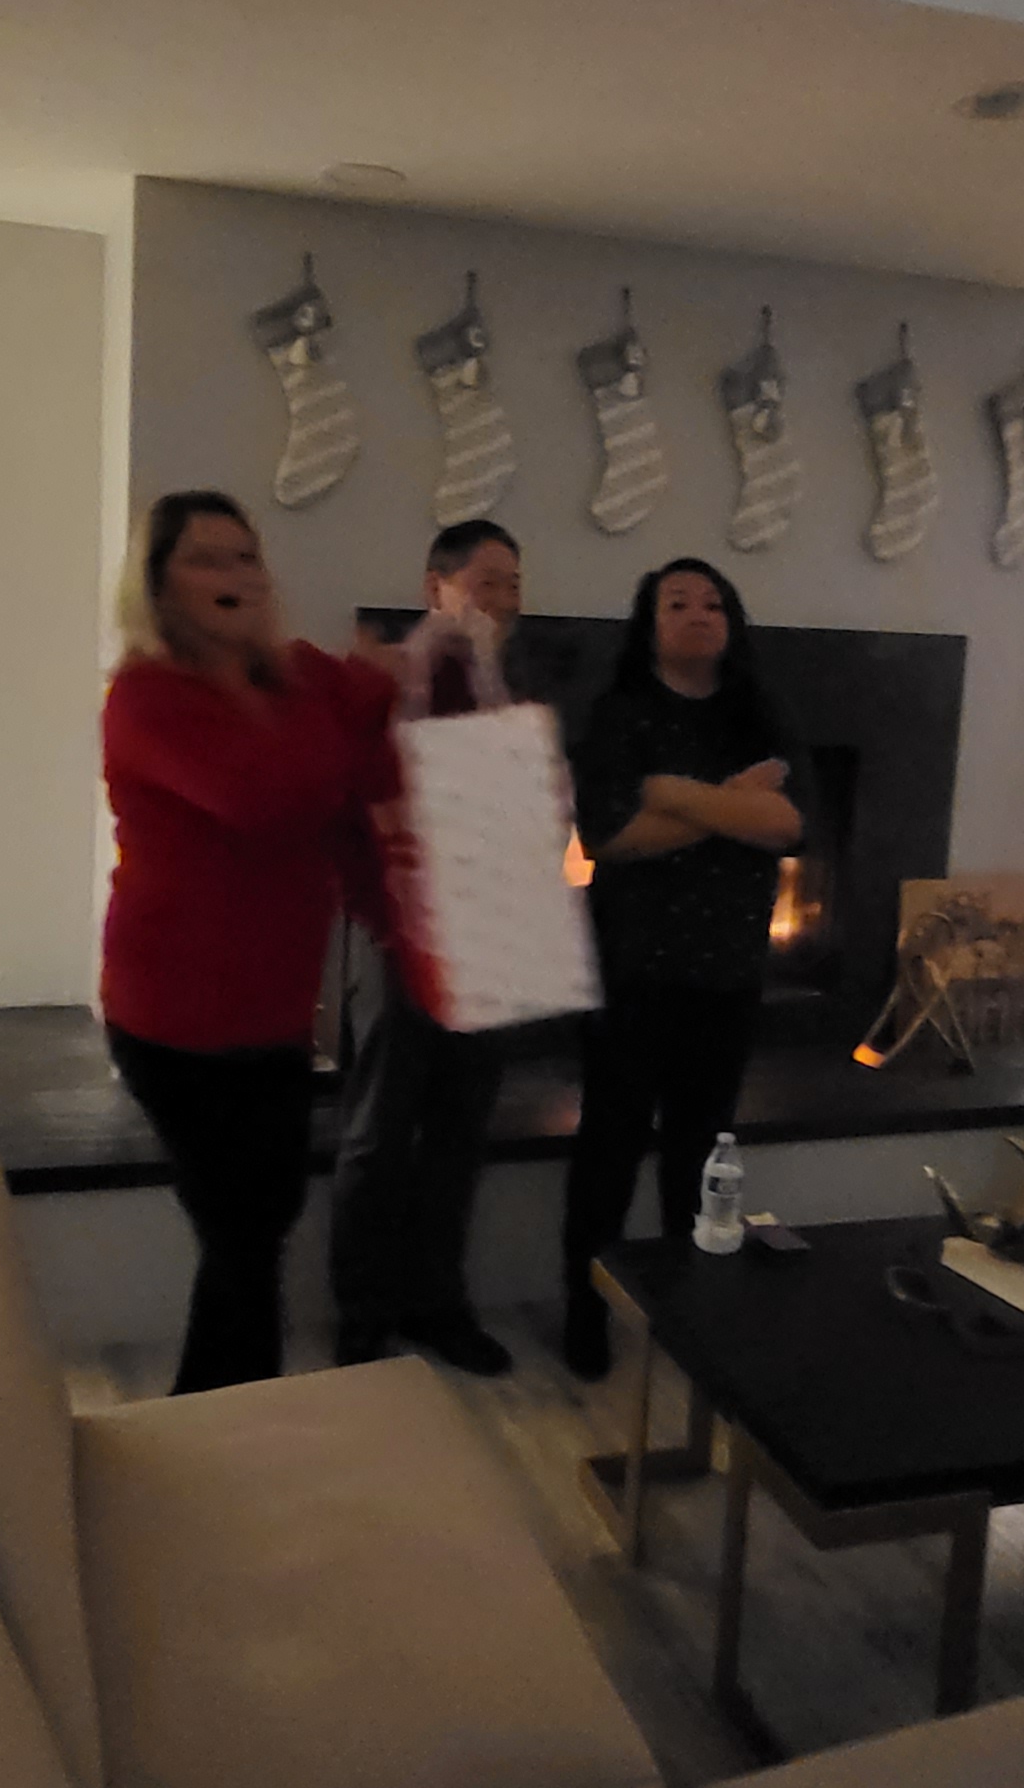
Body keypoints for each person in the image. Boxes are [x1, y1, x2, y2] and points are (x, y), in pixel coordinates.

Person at [97, 491, 396, 1394]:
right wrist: (337, 692)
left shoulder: (290, 679)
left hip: (273, 1010)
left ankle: (218, 1423)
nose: (236, 575)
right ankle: (229, 1421)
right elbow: (267, 797)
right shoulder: (148, 696)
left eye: (246, 557)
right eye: (206, 559)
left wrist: (427, 656)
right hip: (176, 1018)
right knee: (244, 1235)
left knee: (256, 1228)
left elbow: (375, 708)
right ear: (158, 585)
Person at [559, 558, 803, 1378]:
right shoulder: (619, 714)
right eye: (678, 602)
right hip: (632, 970)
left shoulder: (758, 712)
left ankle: (690, 1317)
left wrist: (673, 792)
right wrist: (734, 802)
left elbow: (789, 826)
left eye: (713, 602)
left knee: (700, 1160)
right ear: (650, 623)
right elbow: (610, 837)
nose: (699, 613)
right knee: (609, 1150)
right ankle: (585, 1311)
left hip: (727, 972)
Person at [328, 519, 532, 1377]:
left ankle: (438, 1304)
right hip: (399, 932)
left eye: (514, 584)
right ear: (435, 588)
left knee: (460, 1128)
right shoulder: (393, 682)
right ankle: (362, 1318)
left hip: (484, 936)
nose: (504, 600)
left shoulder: (503, 688)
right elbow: (354, 806)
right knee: (380, 1131)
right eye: (487, 581)